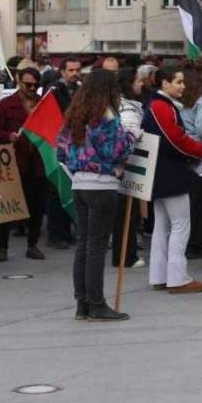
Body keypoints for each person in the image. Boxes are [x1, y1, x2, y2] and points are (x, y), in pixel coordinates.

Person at [57, 70, 134, 322]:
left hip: (79, 185)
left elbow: (61, 150)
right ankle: (98, 303)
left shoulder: (75, 114)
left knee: (83, 245)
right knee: (97, 248)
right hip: (103, 185)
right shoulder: (107, 114)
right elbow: (116, 150)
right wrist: (132, 136)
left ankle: (82, 304)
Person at [143, 65, 202, 294]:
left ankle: (160, 276)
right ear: (164, 84)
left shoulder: (157, 104)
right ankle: (178, 278)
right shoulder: (161, 106)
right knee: (180, 225)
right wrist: (200, 150)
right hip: (170, 173)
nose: (183, 86)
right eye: (178, 82)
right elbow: (175, 139)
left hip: (159, 172)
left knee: (163, 226)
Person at [0, 66, 48, 262]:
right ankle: (3, 247)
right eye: (28, 84)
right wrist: (9, 136)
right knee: (8, 206)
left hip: (37, 162)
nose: (32, 88)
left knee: (36, 206)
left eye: (35, 85)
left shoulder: (42, 104)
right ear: (18, 81)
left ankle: (32, 245)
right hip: (15, 161)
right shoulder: (7, 103)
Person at [42, 58, 82, 249]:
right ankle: (55, 234)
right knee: (56, 190)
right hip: (57, 144)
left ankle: (66, 232)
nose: (75, 73)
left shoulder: (79, 89)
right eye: (71, 70)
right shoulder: (54, 90)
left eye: (77, 70)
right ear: (63, 71)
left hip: (73, 145)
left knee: (69, 188)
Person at [112, 66, 147, 270]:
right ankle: (126, 256)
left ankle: (124, 254)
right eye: (138, 80)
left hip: (126, 166)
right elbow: (127, 139)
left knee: (126, 213)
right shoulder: (128, 110)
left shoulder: (126, 105)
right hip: (128, 167)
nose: (141, 83)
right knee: (127, 213)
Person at [179, 64, 202, 261]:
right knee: (199, 200)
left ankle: (186, 241)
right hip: (199, 151)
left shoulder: (180, 100)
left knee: (186, 199)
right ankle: (197, 241)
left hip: (182, 149)